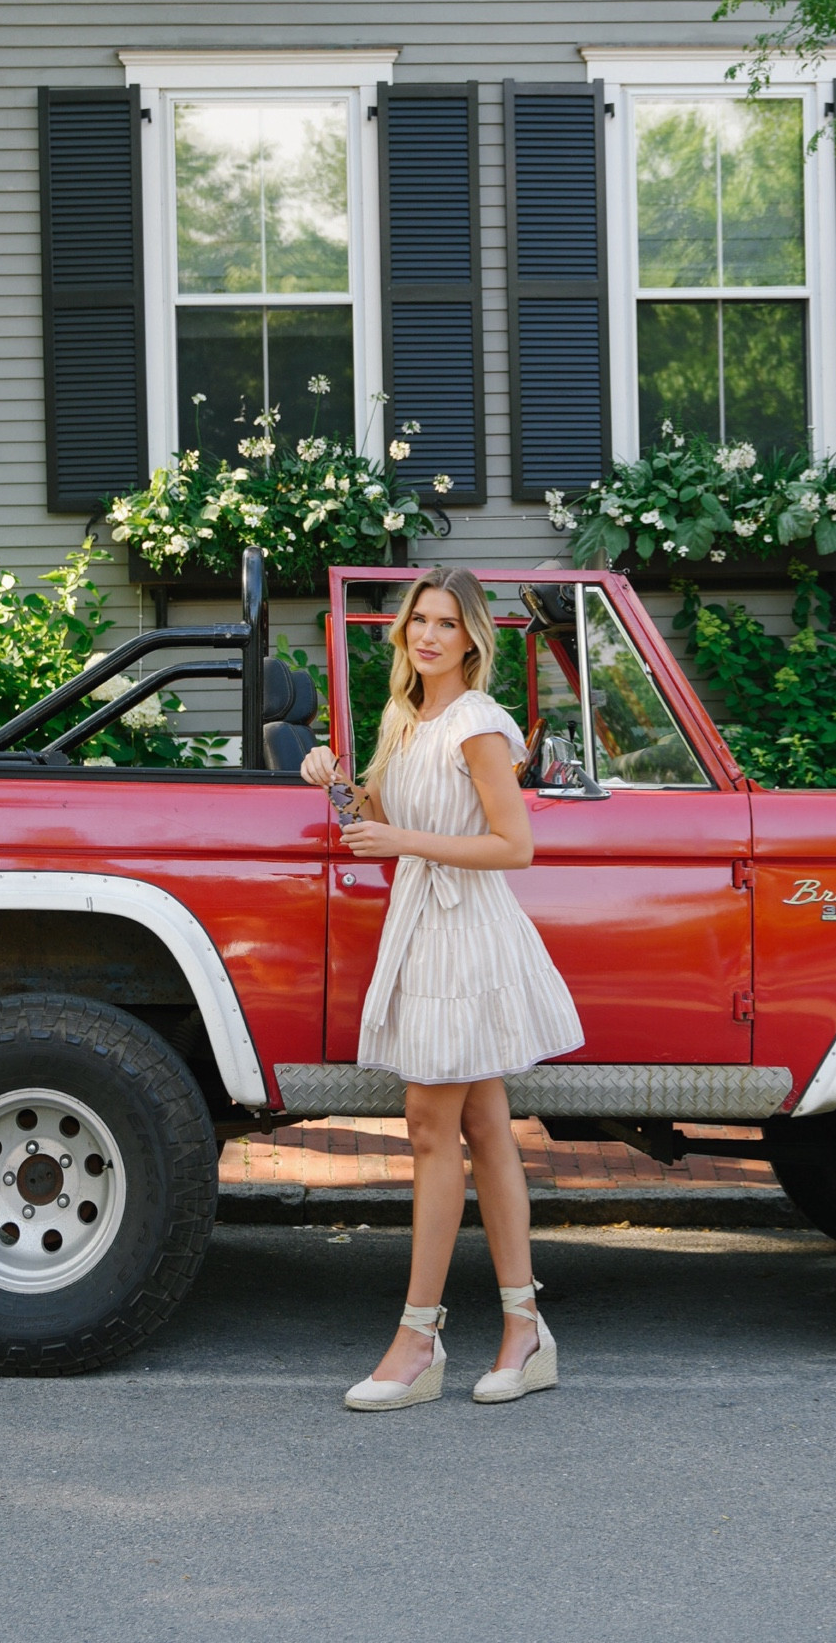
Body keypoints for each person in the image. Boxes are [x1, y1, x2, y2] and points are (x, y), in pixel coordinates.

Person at [301, 566, 583, 1412]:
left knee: (431, 1127)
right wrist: (333, 777)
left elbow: (515, 846)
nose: (427, 636)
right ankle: (524, 1328)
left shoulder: (476, 725)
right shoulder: (405, 717)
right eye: (418, 621)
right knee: (485, 1129)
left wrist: (402, 837)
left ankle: (419, 1339)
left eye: (446, 624)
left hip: (467, 929)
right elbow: (372, 819)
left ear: (471, 640)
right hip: (425, 925)